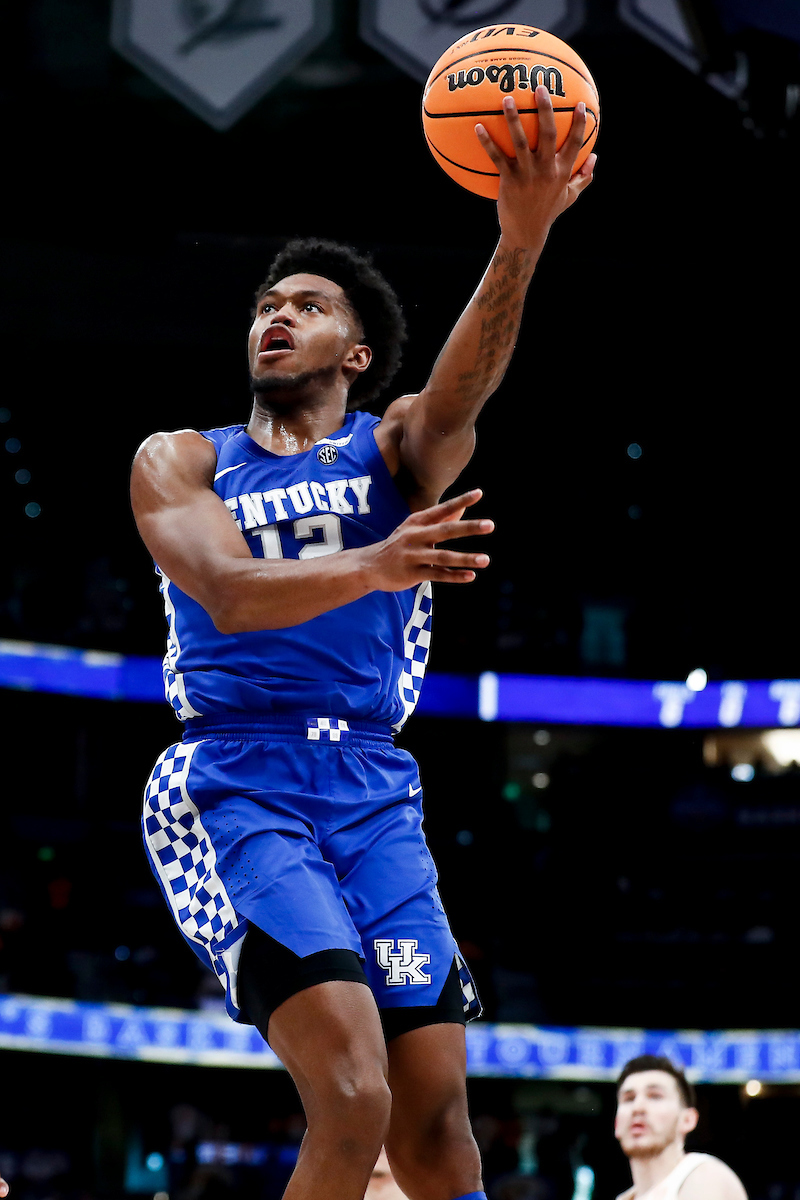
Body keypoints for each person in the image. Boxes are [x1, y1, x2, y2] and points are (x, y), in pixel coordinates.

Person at [131, 88, 595, 1200]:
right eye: (264, 304)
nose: (274, 316)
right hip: (235, 776)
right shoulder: (180, 460)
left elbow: (464, 384)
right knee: (351, 1092)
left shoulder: (396, 447)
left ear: (358, 351)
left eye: (306, 304)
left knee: (437, 1135)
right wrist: (380, 565)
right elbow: (231, 595)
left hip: (372, 786)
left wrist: (517, 239)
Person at [614, 1055, 748, 1199]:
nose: (637, 1107)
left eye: (655, 1096)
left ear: (688, 1120)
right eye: (629, 1099)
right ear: (616, 1123)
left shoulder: (705, 1176)